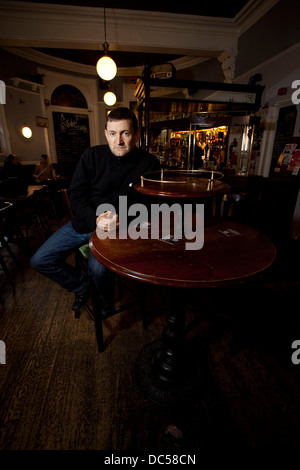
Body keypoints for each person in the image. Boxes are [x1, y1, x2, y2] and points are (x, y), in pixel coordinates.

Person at [30, 107, 160, 317]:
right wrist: (95, 218)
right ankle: (82, 286)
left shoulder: (150, 163)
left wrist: (124, 219)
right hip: (85, 222)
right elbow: (76, 194)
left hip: (119, 231)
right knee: (40, 260)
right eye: (112, 133)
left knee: (98, 269)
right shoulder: (91, 156)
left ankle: (105, 302)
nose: (118, 141)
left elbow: (152, 205)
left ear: (136, 134)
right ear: (105, 134)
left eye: (125, 133)